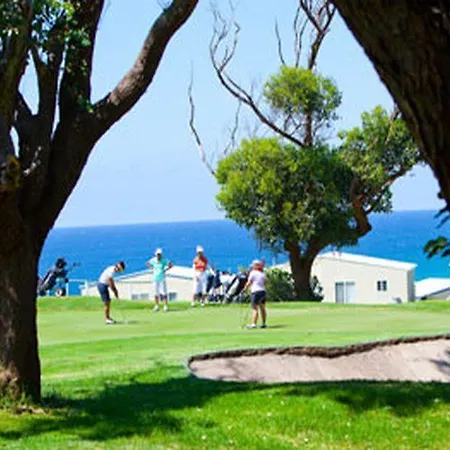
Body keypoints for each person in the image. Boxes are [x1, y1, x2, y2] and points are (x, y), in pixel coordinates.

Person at [244, 259, 268, 329]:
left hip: (255, 292)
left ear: (256, 266)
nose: (252, 266)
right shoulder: (262, 273)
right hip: (262, 291)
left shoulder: (253, 273)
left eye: (253, 265)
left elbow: (249, 282)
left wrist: (245, 288)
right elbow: (266, 281)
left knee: (255, 308)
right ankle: (263, 323)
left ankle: (253, 324)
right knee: (262, 308)